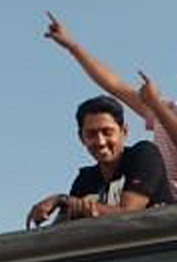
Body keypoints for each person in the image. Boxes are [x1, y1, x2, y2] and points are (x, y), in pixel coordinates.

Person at [43, 13, 177, 200]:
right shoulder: (166, 110)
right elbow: (114, 84)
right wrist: (72, 46)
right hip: (159, 210)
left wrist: (156, 105)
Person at [26, 97, 169, 227]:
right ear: (81, 138)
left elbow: (129, 215)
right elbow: (64, 229)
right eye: (91, 134)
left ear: (124, 131)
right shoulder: (86, 179)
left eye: (107, 132)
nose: (100, 142)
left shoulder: (143, 155)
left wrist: (61, 200)